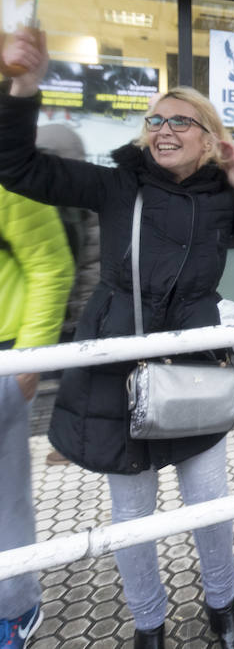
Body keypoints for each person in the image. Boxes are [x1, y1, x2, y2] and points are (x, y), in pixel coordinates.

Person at [0, 28, 234, 649]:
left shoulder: (224, 195)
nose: (163, 130)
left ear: (208, 135)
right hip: (118, 365)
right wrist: (24, 85)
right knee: (134, 516)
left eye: (180, 121)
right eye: (155, 119)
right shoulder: (118, 182)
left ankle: (223, 609)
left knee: (209, 505)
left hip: (193, 364)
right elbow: (17, 166)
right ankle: (149, 625)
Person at [0, 185, 73, 649]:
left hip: (7, 353)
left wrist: (28, 362)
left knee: (5, 498)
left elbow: (52, 260)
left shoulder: (7, 178)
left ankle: (15, 607)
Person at [35, 123, 102, 465]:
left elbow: (85, 259)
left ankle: (74, 443)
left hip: (75, 307)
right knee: (72, 379)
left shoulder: (70, 200)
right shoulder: (67, 197)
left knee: (76, 380)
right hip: (67, 307)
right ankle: (71, 441)